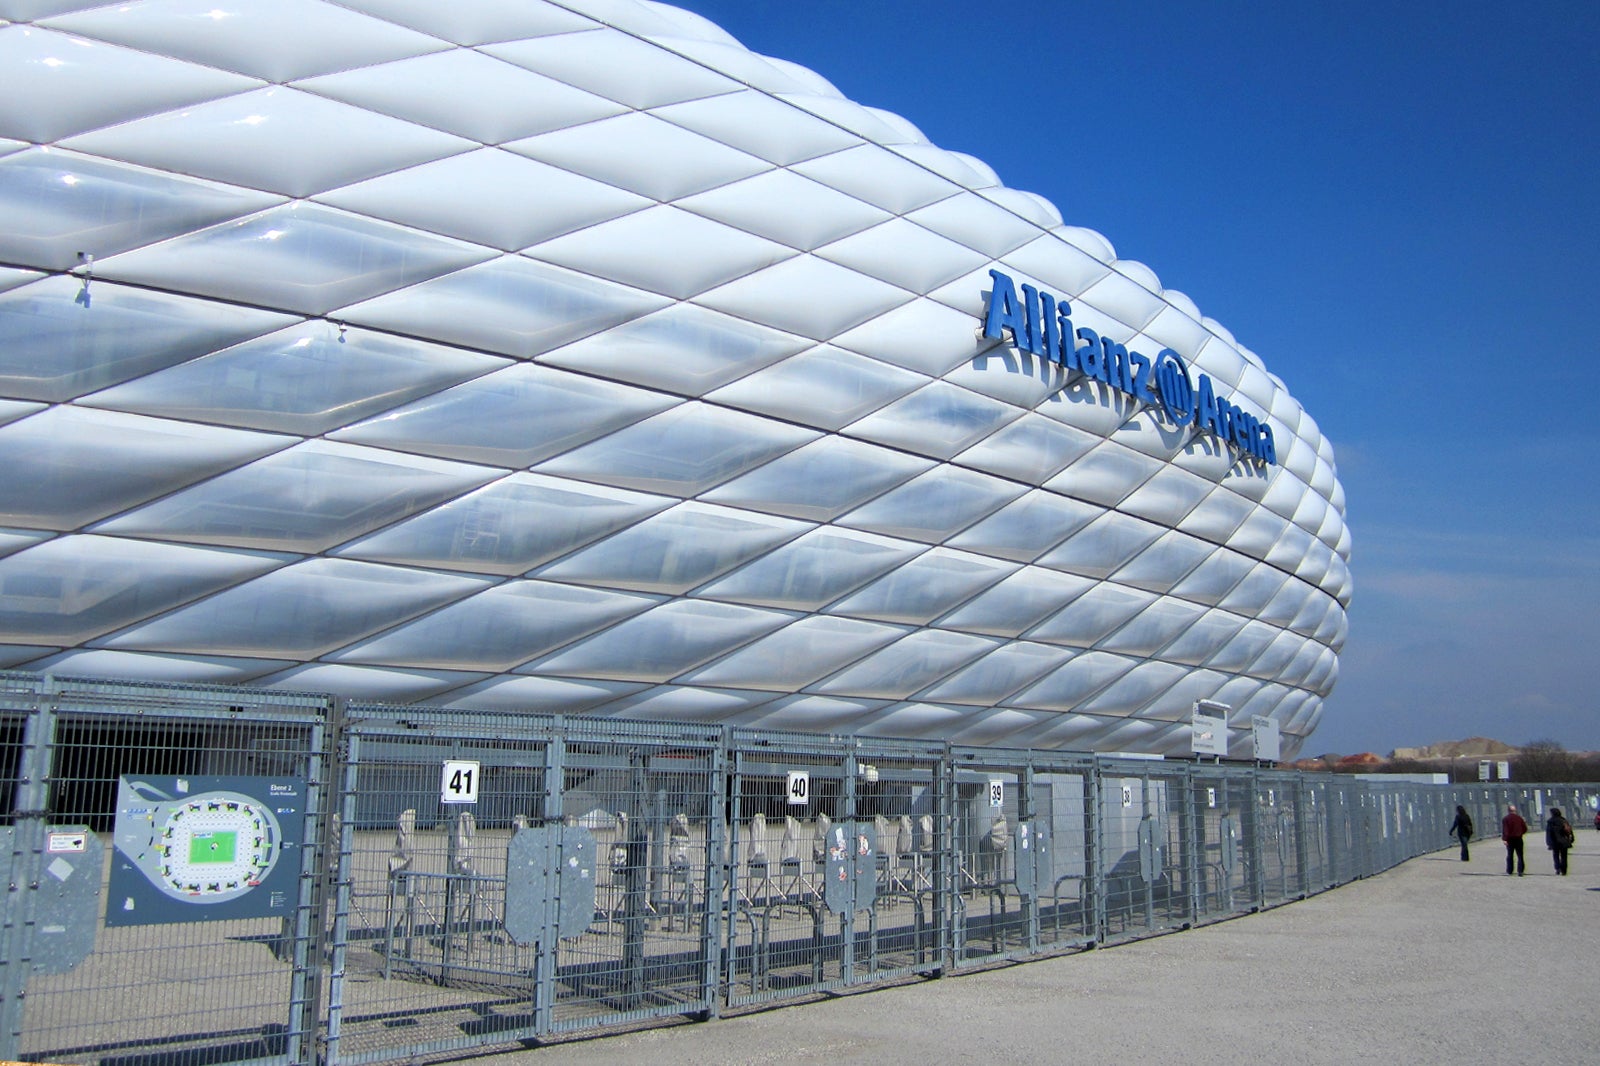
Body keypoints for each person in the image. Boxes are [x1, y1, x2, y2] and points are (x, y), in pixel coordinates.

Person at [1545, 807, 1574, 876]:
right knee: (1564, 856)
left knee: (1556, 855)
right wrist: (1572, 838)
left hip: (1555, 841)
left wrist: (1548, 842)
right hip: (1564, 841)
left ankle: (1557, 868)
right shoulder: (1563, 820)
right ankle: (1564, 870)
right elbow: (1569, 830)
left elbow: (1549, 833)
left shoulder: (1550, 821)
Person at [1501, 804, 1528, 876]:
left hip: (1510, 839)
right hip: (1518, 838)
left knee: (1510, 855)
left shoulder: (1506, 819)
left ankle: (1510, 870)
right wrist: (1520, 833)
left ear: (1508, 810)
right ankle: (1520, 871)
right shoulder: (1519, 818)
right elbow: (1525, 828)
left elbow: (1505, 830)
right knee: (1520, 855)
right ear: (1515, 810)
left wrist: (1505, 839)